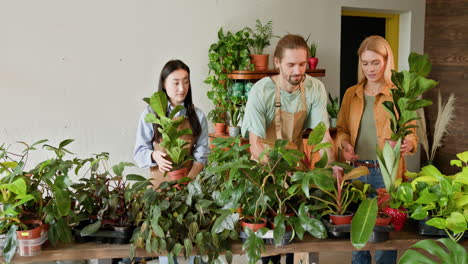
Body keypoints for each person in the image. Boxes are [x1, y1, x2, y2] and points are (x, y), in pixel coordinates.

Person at [242, 34, 333, 264]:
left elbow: (322, 135)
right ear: (277, 63)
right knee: (270, 244)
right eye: (291, 64)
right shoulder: (260, 91)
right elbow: (255, 145)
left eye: (302, 64)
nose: (297, 71)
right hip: (265, 172)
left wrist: (330, 170)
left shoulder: (315, 88)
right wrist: (275, 179)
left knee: (293, 239)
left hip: (295, 166)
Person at [336, 35, 418, 264]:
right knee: (359, 234)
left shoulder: (399, 95)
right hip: (358, 171)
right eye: (365, 63)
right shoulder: (351, 94)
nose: (370, 69)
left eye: (375, 63)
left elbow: (411, 132)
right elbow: (341, 129)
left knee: (385, 236)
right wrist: (345, 144)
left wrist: (409, 143)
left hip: (387, 174)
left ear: (386, 61)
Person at [133, 59, 209, 264]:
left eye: (186, 81)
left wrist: (190, 179)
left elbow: (202, 154)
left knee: (195, 242)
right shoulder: (151, 114)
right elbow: (139, 151)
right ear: (164, 84)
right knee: (166, 244)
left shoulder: (197, 116)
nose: (181, 88)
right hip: (161, 189)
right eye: (175, 82)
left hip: (188, 186)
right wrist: (154, 155)